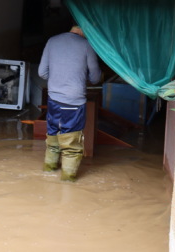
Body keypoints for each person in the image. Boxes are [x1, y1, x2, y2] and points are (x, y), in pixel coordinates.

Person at [38, 25, 102, 182]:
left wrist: (58, 79)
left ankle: (48, 170)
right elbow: (95, 77)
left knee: (53, 134)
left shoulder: (52, 41)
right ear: (83, 30)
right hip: (74, 100)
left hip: (53, 98)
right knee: (72, 144)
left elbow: (42, 72)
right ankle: (67, 180)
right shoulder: (86, 45)